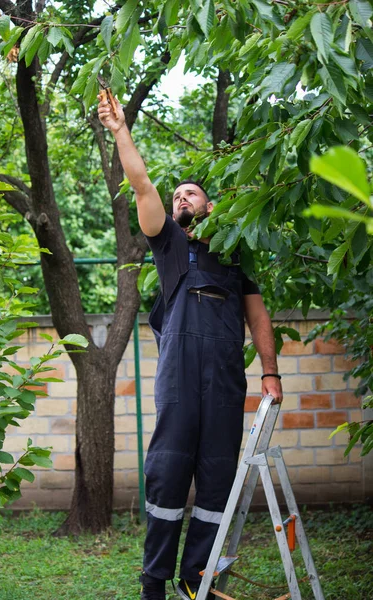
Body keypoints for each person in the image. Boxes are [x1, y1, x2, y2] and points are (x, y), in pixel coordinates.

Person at [98, 95, 283, 600]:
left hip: (225, 383)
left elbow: (259, 317)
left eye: (191, 195)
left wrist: (271, 372)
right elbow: (141, 184)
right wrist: (121, 132)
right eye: (177, 194)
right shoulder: (169, 246)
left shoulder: (233, 256)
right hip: (180, 382)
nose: (181, 198)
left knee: (218, 480)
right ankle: (154, 581)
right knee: (168, 475)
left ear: (211, 208)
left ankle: (194, 578)